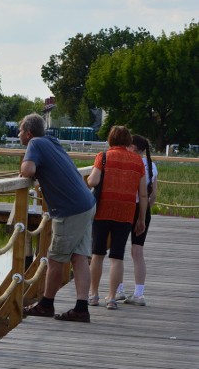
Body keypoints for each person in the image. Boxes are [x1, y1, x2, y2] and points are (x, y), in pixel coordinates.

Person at [18, 113, 97, 322]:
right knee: (79, 257)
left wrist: (26, 170)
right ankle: (81, 308)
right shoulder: (51, 140)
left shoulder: (35, 142)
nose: (18, 134)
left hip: (70, 209)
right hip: (86, 203)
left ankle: (46, 304)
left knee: (55, 259)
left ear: (28, 132)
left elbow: (28, 169)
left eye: (20, 130)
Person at [87, 127, 148, 310]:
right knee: (117, 256)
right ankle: (112, 298)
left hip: (103, 210)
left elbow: (93, 181)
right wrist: (141, 219)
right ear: (128, 140)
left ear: (111, 139)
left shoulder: (103, 157)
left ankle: (93, 294)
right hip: (126, 213)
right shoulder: (138, 161)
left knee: (97, 254)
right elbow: (143, 194)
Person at [114, 134, 157, 306]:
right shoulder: (152, 166)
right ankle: (139, 294)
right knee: (138, 252)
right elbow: (153, 196)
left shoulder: (130, 163)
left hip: (127, 209)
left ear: (133, 148)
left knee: (118, 252)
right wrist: (144, 213)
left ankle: (119, 290)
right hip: (144, 211)